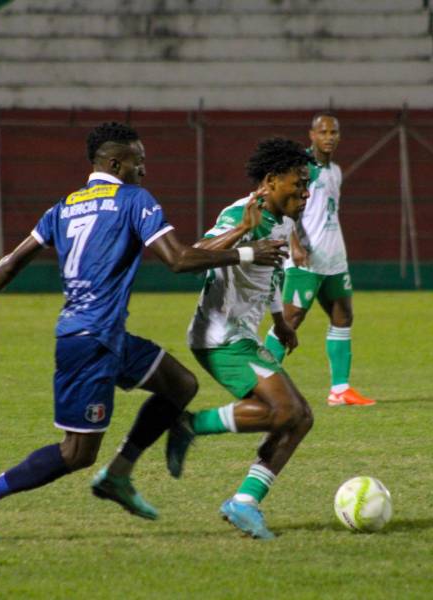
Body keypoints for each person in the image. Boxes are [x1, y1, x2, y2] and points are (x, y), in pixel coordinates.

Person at [0, 122, 288, 539]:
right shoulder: (133, 199)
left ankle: (119, 474)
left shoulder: (64, 206)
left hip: (104, 336)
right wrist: (248, 251)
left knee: (179, 385)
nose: (144, 170)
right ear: (117, 164)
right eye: (139, 162)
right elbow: (177, 260)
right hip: (90, 343)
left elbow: (13, 259)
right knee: (77, 453)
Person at [167, 137, 313, 540]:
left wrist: (280, 321)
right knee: (287, 412)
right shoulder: (240, 213)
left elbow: (273, 272)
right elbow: (192, 256)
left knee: (300, 419)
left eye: (307, 185)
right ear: (270, 181)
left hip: (243, 336)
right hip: (218, 335)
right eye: (298, 184)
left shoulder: (284, 219)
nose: (305, 192)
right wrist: (242, 234)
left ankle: (245, 501)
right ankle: (190, 425)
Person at [263, 113, 376, 407]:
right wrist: (295, 243)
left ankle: (340, 390)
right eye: (323, 131)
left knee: (342, 316)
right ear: (311, 134)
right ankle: (259, 383)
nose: (329, 137)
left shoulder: (335, 170)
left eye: (334, 132)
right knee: (291, 319)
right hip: (306, 259)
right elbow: (282, 206)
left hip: (334, 257)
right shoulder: (301, 169)